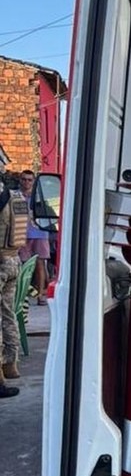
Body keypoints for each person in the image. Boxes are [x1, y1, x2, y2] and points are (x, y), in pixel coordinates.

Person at [0, 167, 28, 397]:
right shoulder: (15, 197)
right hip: (13, 259)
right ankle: (11, 364)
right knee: (8, 314)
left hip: (0, 261)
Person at [18, 170, 50, 306]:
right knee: (23, 265)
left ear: (34, 181)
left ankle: (41, 294)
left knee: (40, 264)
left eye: (29, 180)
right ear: (20, 180)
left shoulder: (39, 196)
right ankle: (23, 293)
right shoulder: (16, 196)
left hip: (39, 233)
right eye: (24, 179)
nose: (27, 182)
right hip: (21, 234)